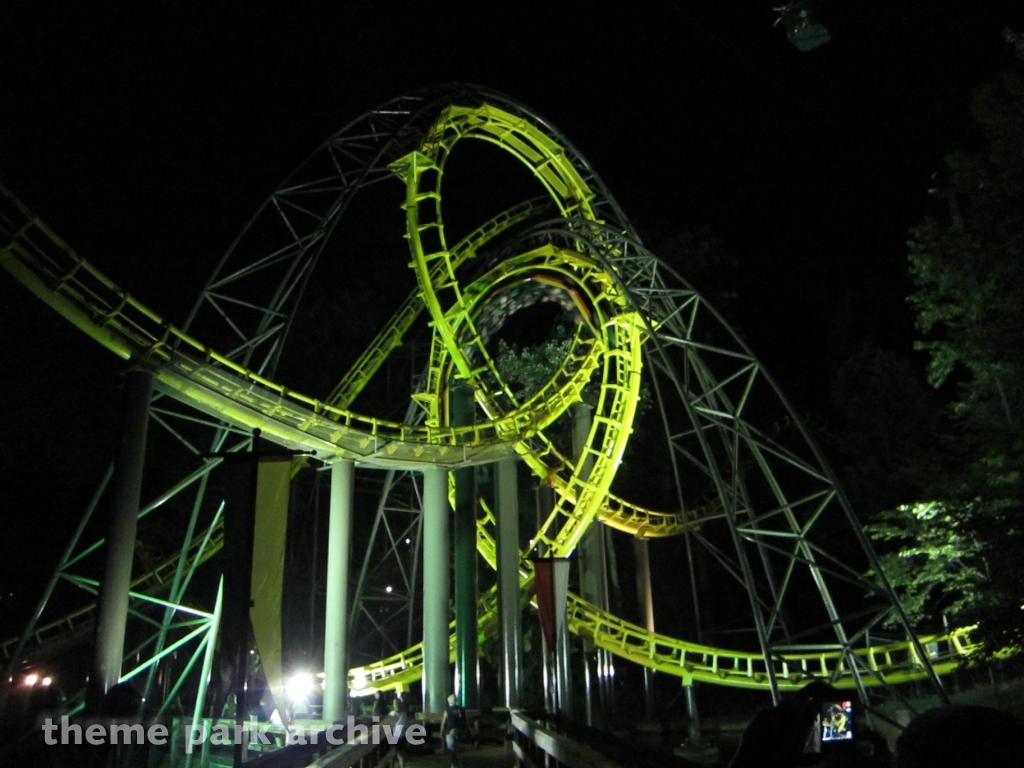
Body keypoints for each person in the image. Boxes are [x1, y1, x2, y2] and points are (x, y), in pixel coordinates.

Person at [440, 693, 468, 767]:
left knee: (451, 749)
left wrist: (442, 731)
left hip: (451, 730)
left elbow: (444, 722)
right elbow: (465, 720)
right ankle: (459, 763)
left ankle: (454, 764)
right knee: (457, 748)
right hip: (460, 730)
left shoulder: (447, 710)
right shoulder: (461, 709)